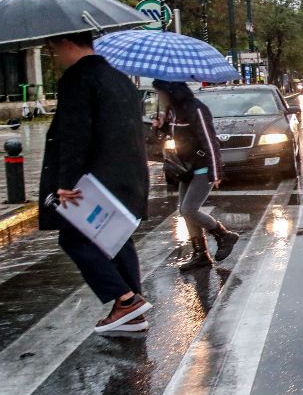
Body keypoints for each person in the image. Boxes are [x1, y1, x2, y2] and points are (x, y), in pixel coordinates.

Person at [38, 32, 152, 334]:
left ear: (64, 43)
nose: (53, 55)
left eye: (52, 47)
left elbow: (75, 135)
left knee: (74, 239)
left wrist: (65, 182)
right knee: (116, 238)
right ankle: (132, 311)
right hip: (127, 176)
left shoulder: (78, 79)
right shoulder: (120, 78)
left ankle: (126, 300)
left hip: (93, 181)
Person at [152, 81, 239, 271]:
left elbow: (210, 141)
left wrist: (215, 172)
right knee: (184, 211)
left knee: (189, 209)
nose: (159, 96)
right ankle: (201, 255)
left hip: (202, 167)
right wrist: (161, 126)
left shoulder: (197, 109)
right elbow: (174, 137)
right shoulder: (172, 111)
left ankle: (224, 235)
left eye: (160, 92)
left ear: (171, 91)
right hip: (185, 168)